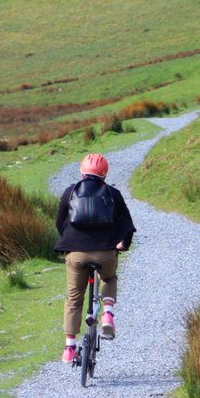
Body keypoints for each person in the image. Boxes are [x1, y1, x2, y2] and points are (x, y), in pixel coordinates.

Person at [54, 153, 136, 364]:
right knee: (109, 279)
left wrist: (70, 242)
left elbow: (60, 222)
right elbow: (127, 224)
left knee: (74, 297)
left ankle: (70, 347)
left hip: (76, 254)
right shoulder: (112, 193)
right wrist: (123, 244)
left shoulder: (70, 191)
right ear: (104, 174)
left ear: (82, 172)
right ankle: (107, 312)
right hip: (105, 252)